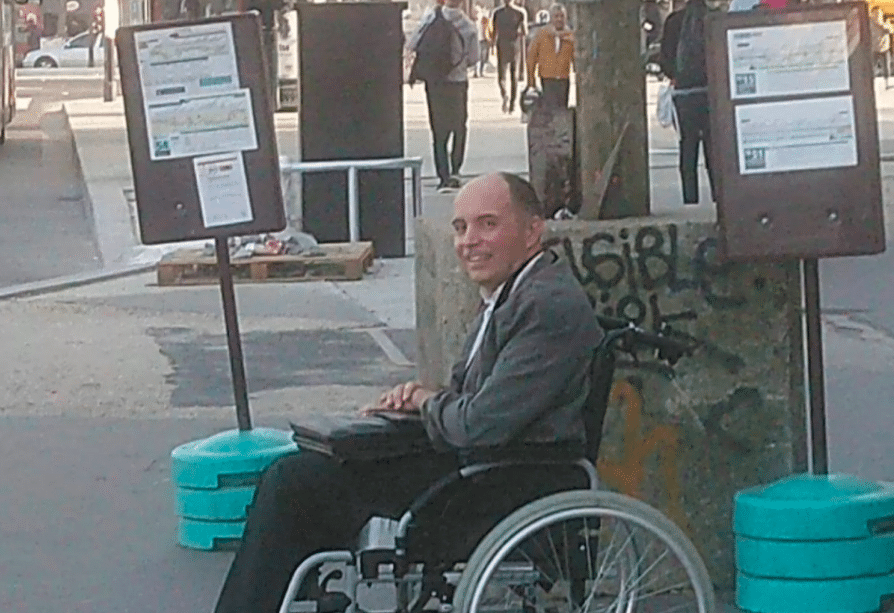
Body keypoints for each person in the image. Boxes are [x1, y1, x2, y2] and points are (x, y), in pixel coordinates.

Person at [211, 172, 604, 613]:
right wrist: (416, 402)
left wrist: (425, 402)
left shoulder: (546, 307)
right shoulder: (515, 292)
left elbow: (479, 425)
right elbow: (475, 403)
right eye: (460, 227)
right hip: (482, 464)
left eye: (488, 224)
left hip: (505, 482)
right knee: (314, 462)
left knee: (296, 484)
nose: (468, 241)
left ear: (532, 231)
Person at [407, 0, 479, 193]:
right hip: (457, 82)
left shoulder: (430, 18)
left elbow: (412, 43)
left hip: (435, 83)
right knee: (459, 127)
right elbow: (474, 59)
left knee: (438, 130)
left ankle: (443, 175)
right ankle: (455, 170)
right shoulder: (468, 26)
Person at [659, 0, 717, 205]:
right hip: (711, 92)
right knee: (713, 147)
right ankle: (718, 194)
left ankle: (690, 198)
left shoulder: (674, 21)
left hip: (684, 93)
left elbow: (664, 58)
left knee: (688, 145)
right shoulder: (715, 18)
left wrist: (675, 76)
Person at [526, 4, 574, 109]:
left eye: (562, 16)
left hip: (563, 78)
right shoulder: (542, 34)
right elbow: (531, 58)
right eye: (556, 16)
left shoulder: (570, 35)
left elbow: (575, 58)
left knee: (562, 110)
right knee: (549, 109)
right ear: (551, 18)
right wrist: (531, 81)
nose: (559, 19)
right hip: (547, 78)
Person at [490, 0, 529, 113]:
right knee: (514, 75)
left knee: (501, 75)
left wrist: (492, 46)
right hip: (515, 45)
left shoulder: (497, 13)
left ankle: (504, 94)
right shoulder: (520, 12)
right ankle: (512, 104)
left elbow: (494, 31)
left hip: (502, 44)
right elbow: (525, 32)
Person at [870, 6, 894, 89]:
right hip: (877, 48)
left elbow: (891, 30)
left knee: (882, 67)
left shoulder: (883, 23)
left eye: (879, 14)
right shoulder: (873, 23)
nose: (877, 15)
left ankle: (885, 84)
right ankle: (876, 84)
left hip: (882, 47)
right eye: (876, 14)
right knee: (875, 67)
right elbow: (890, 30)